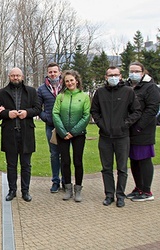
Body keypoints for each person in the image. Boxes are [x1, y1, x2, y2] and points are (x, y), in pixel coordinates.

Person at [91, 66, 141, 207]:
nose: (113, 77)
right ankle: (109, 194)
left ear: (120, 76)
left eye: (116, 74)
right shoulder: (100, 93)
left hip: (122, 136)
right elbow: (94, 111)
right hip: (105, 136)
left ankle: (120, 195)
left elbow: (136, 111)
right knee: (106, 168)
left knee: (122, 168)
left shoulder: (128, 92)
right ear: (106, 77)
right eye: (110, 75)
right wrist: (102, 124)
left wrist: (125, 124)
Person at [0, 67, 41, 202]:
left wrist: (27, 113)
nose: (16, 78)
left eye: (18, 76)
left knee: (26, 164)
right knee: (11, 165)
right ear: (9, 76)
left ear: (22, 77)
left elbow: (38, 108)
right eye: (13, 76)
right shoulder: (2, 92)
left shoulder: (31, 91)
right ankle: (12, 190)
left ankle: (25, 191)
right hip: (10, 133)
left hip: (26, 132)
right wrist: (7, 114)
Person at [52, 70, 90, 202]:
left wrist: (73, 132)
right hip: (62, 134)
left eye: (71, 80)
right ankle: (67, 189)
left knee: (78, 161)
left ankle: (78, 189)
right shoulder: (60, 96)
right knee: (65, 161)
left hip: (78, 134)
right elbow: (55, 113)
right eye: (67, 81)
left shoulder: (84, 96)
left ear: (77, 81)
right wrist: (62, 131)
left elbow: (86, 115)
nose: (69, 83)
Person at [125, 62, 160, 201]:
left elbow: (152, 109)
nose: (133, 73)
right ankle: (138, 187)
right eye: (131, 70)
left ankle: (147, 191)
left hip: (143, 130)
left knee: (144, 159)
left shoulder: (150, 87)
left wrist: (140, 126)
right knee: (134, 159)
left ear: (142, 72)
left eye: (136, 71)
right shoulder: (128, 86)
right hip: (130, 129)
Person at [37, 62, 63, 193]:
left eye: (55, 71)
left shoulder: (66, 86)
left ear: (59, 72)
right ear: (47, 73)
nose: (53, 74)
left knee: (65, 154)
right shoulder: (42, 89)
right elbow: (37, 107)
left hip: (65, 126)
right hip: (51, 127)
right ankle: (55, 181)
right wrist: (46, 117)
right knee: (54, 154)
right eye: (50, 72)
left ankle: (66, 180)